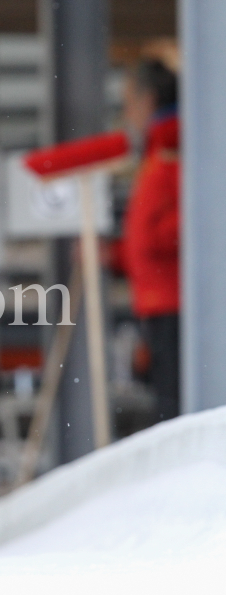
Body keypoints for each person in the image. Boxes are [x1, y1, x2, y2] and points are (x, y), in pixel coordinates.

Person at [121, 60, 180, 422]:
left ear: (150, 100)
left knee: (174, 405)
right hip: (161, 301)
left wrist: (152, 241)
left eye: (130, 102)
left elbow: (203, 218)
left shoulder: (175, 145)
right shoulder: (160, 148)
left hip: (175, 303)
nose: (127, 113)